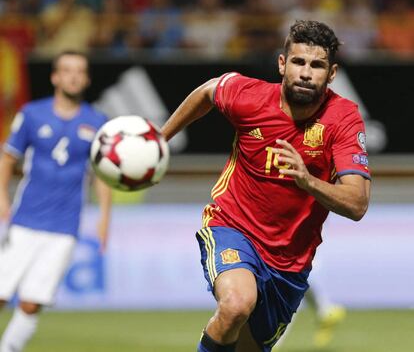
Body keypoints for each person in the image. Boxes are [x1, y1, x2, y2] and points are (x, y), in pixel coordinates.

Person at [161, 20, 371, 352]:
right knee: (235, 305)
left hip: (289, 264)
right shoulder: (249, 97)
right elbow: (208, 91)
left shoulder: (343, 119)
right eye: (299, 62)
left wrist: (307, 181)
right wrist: (161, 140)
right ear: (282, 64)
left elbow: (357, 203)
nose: (305, 73)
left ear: (331, 74)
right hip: (232, 226)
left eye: (316, 65)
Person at [0, 50, 112, 352]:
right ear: (55, 77)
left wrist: (104, 218)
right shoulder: (32, 114)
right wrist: (1, 197)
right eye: (67, 70)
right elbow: (8, 157)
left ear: (86, 78)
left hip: (64, 227)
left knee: (32, 301)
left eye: (80, 70)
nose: (73, 76)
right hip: (26, 219)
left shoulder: (97, 122)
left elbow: (102, 174)